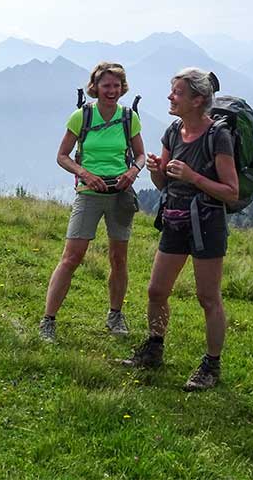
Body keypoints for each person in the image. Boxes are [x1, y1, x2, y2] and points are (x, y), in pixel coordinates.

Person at [122, 68, 238, 390]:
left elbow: (231, 190)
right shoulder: (173, 132)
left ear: (198, 100)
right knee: (156, 291)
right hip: (174, 219)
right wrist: (159, 171)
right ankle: (154, 348)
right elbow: (162, 185)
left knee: (207, 297)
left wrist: (193, 177)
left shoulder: (218, 136)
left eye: (177, 93)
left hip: (207, 224)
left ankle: (211, 367)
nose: (170, 97)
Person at [39, 62, 145, 341]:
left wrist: (132, 172)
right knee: (71, 257)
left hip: (120, 194)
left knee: (119, 258)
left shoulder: (129, 117)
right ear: (95, 87)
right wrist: (85, 173)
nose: (111, 91)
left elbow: (141, 155)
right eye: (106, 85)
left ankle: (115, 316)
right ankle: (48, 320)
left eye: (116, 85)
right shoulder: (81, 117)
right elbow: (62, 155)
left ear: (123, 87)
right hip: (88, 193)